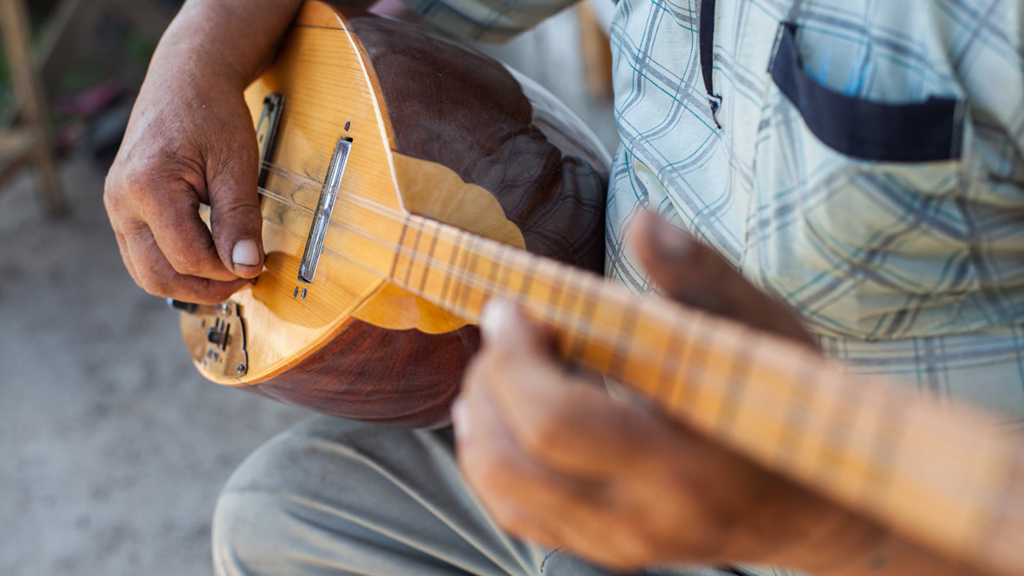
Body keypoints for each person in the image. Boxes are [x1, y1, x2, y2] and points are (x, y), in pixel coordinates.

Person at [103, 0, 1024, 574]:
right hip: (607, 401)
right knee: (286, 514)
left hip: (895, 541)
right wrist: (201, 50)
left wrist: (813, 532)